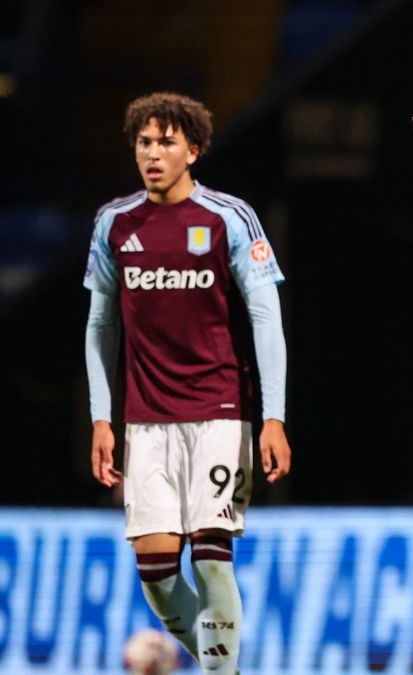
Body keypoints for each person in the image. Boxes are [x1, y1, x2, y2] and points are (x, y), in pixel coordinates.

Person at [84, 92, 291, 673]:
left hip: (220, 411)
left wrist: (272, 417)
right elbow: (100, 324)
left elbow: (266, 319)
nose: (153, 153)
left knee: (210, 558)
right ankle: (220, 663)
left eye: (166, 142)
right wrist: (103, 417)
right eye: (144, 143)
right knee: (154, 570)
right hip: (146, 420)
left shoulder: (227, 218)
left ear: (193, 150)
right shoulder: (115, 224)